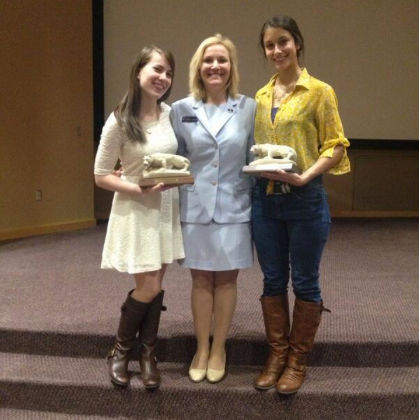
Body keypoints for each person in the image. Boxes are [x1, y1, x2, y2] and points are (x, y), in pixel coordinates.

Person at [252, 16, 351, 394]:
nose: (277, 50)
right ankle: (276, 355)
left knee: (305, 280)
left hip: (305, 198)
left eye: (283, 42)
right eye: (270, 45)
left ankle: (297, 360)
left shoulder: (319, 91)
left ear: (297, 43)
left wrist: (306, 175)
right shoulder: (261, 97)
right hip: (266, 202)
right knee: (272, 279)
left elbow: (337, 144)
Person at [94, 46, 184, 389]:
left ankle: (148, 355)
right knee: (149, 285)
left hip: (164, 208)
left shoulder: (169, 113)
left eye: (169, 73)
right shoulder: (119, 120)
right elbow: (101, 175)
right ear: (138, 71)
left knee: (156, 283)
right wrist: (137, 188)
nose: (163, 78)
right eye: (157, 69)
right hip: (136, 208)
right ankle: (121, 350)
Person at [170, 34, 255, 384]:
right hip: (195, 206)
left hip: (236, 205)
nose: (215, 66)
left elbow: (254, 154)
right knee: (201, 279)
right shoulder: (181, 109)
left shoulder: (249, 107)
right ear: (198, 67)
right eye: (208, 60)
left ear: (231, 66)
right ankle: (201, 348)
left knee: (228, 280)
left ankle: (219, 347)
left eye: (222, 60)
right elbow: (172, 157)